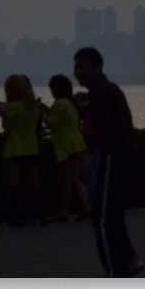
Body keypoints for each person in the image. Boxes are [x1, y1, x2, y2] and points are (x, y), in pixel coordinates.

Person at [74, 46, 144, 277]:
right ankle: (128, 258)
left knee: (102, 219)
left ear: (97, 67)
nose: (78, 72)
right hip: (126, 156)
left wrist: (89, 154)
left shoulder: (101, 92)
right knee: (113, 214)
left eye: (83, 67)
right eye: (76, 67)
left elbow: (102, 131)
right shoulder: (107, 90)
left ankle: (115, 270)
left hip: (116, 157)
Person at [0, 74, 44, 226]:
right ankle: (40, 215)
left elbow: (7, 129)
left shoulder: (12, 107)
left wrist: (2, 115)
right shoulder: (33, 106)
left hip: (14, 149)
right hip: (31, 147)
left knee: (15, 184)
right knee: (34, 184)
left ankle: (15, 217)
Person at [47, 75, 90, 222]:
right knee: (74, 179)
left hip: (66, 147)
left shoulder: (60, 105)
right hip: (76, 144)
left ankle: (70, 210)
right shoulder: (70, 104)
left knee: (70, 181)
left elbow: (53, 124)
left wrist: (41, 113)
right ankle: (84, 207)